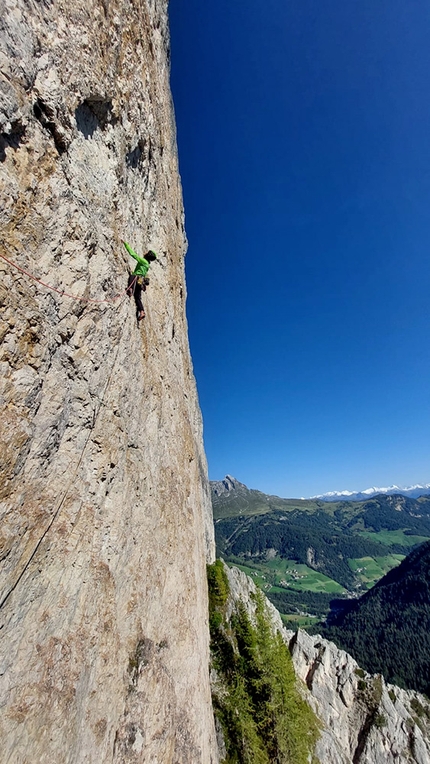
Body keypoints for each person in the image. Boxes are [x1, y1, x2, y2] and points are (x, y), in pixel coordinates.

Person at [122, 240, 157, 320]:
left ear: (148, 255)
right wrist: (143, 285)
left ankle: (130, 289)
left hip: (136, 278)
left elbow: (133, 255)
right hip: (140, 282)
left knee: (132, 275)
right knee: (137, 298)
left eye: (147, 252)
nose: (145, 252)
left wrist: (126, 244)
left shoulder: (143, 261)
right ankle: (141, 311)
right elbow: (144, 275)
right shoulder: (147, 265)